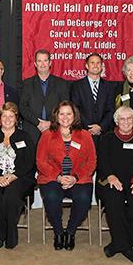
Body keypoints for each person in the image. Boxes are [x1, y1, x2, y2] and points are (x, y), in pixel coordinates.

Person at [37, 101, 96, 251]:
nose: (65, 117)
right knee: (51, 197)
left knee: (83, 198)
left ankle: (70, 231)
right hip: (52, 178)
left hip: (79, 178)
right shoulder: (47, 135)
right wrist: (58, 177)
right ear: (56, 116)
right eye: (61, 113)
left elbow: (91, 161)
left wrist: (75, 177)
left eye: (68, 113)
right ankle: (58, 232)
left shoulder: (85, 135)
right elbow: (41, 161)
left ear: (74, 115)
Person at [96, 106, 133, 264]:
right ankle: (126, 248)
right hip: (111, 180)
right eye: (122, 118)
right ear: (116, 121)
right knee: (114, 201)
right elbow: (102, 161)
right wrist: (111, 176)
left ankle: (118, 244)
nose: (126, 122)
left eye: (129, 119)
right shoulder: (107, 138)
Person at [0, 102, 35, 249]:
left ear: (16, 118)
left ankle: (10, 235)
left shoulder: (24, 136)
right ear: (0, 118)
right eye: (4, 115)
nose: (7, 119)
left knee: (11, 196)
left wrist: (13, 175)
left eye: (11, 116)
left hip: (19, 177)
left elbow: (29, 161)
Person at [20, 49, 69, 144]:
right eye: (39, 61)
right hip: (32, 129)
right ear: (35, 64)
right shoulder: (27, 83)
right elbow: (22, 106)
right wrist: (37, 123)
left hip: (55, 129)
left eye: (45, 61)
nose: (42, 64)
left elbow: (65, 107)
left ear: (50, 63)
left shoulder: (61, 83)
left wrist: (51, 123)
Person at [71, 53, 115, 146]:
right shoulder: (77, 86)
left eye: (98, 63)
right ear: (87, 66)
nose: (95, 65)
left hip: (104, 134)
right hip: (83, 132)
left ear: (102, 66)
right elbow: (75, 108)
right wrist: (89, 127)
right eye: (92, 63)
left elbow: (111, 109)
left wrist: (100, 127)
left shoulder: (109, 87)